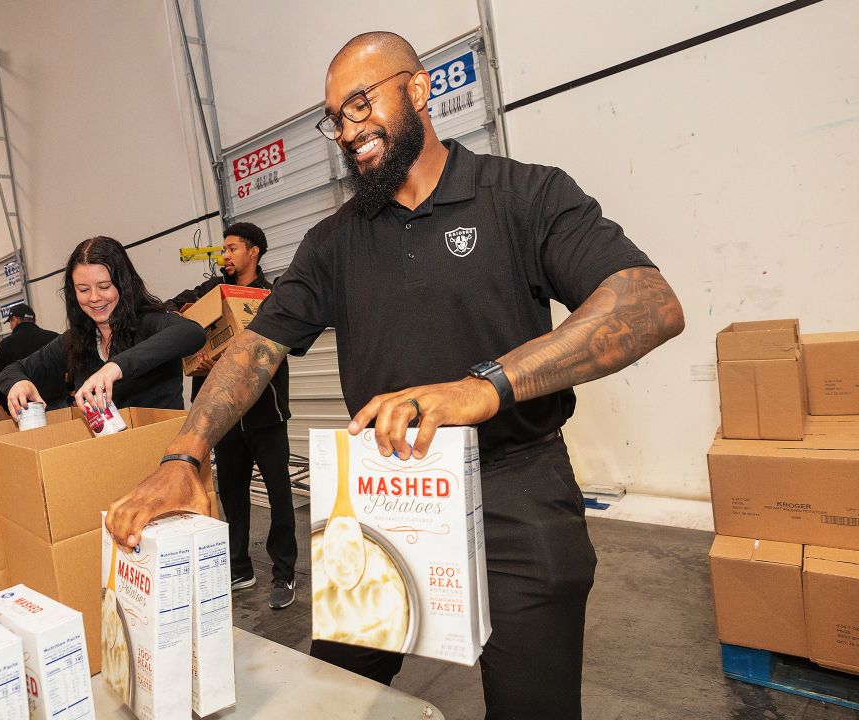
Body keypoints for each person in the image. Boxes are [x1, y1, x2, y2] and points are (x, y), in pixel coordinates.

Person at [106, 31, 685, 720]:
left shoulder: (523, 195)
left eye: (360, 104)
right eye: (336, 119)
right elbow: (254, 348)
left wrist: (483, 386)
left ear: (418, 89)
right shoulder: (333, 242)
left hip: (515, 486)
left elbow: (649, 302)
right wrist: (185, 450)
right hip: (384, 492)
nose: (349, 132)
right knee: (340, 700)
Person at [164, 223, 297, 608]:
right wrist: (199, 351)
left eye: (232, 248)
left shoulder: (272, 297)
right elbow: (172, 311)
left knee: (278, 493)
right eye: (223, 248)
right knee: (232, 494)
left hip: (265, 414)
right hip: (223, 418)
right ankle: (239, 566)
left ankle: (284, 572)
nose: (225, 255)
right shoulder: (208, 292)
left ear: (253, 252)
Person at [0, 236, 205, 419]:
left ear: (124, 284)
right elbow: (12, 370)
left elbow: (191, 333)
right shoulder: (75, 341)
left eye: (104, 286)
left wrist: (115, 367)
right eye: (83, 289)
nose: (94, 298)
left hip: (162, 453)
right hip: (107, 457)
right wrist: (18, 383)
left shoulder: (148, 322)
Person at [0, 303, 62, 412]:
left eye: (10, 322)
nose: (10, 326)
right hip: (60, 407)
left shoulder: (6, 344)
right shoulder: (55, 337)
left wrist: (11, 408)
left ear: (14, 319)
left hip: (26, 411)